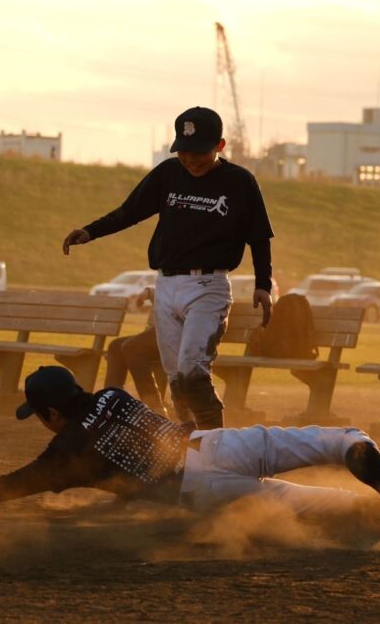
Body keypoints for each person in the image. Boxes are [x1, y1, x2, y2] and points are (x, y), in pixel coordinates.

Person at [0, 366, 380, 529]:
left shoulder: (62, 454)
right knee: (341, 438)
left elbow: (7, 489)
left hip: (199, 493)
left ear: (50, 413)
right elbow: (125, 451)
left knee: (306, 503)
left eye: (37, 417)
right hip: (210, 444)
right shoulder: (114, 394)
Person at [63, 106, 274, 430]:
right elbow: (130, 211)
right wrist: (91, 231)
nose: (190, 159)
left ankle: (215, 442)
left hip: (208, 286)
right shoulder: (168, 174)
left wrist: (262, 282)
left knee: (192, 369)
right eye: (184, 151)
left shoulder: (239, 181)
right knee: (176, 374)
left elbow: (259, 235)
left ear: (220, 146)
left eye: (199, 152)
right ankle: (189, 440)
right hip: (167, 285)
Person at [102, 286, 168, 417]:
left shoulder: (195, 275)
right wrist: (149, 293)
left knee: (132, 347)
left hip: (177, 335)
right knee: (116, 346)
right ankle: (112, 401)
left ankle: (154, 408)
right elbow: (169, 291)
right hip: (160, 335)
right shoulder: (173, 276)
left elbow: (180, 295)